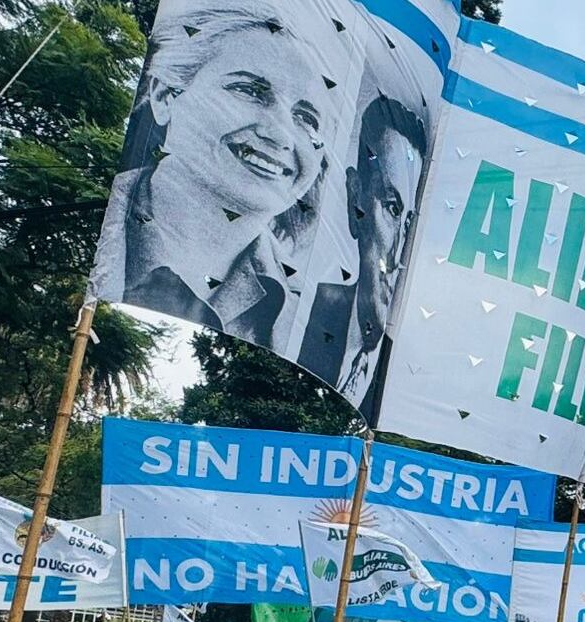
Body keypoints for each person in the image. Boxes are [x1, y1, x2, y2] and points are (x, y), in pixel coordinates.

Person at [93, 4, 349, 353]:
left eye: (306, 118)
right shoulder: (89, 222)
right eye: (249, 90)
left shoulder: (307, 320)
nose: (281, 135)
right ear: (165, 95)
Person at [296, 74, 429, 412]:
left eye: (411, 223)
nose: (400, 250)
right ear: (357, 202)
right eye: (393, 209)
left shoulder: (411, 370)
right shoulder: (298, 316)